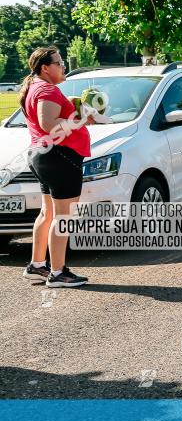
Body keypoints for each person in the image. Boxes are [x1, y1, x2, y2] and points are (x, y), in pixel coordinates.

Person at [20, 46, 93, 287]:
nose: (64, 67)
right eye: (59, 63)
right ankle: (58, 272)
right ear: (45, 68)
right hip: (60, 157)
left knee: (48, 213)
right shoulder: (46, 89)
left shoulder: (35, 87)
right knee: (64, 217)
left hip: (46, 156)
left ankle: (37, 265)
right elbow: (49, 123)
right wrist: (81, 119)